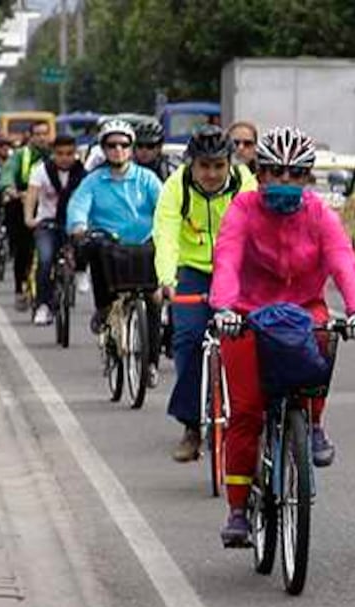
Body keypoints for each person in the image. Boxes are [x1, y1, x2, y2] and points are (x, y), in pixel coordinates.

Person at [210, 126, 355, 544]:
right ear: (259, 174)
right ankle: (238, 509)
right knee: (246, 411)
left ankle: (314, 423)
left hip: (303, 310)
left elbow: (342, 262)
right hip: (246, 314)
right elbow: (226, 259)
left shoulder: (320, 214)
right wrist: (225, 308)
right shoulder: (242, 209)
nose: (284, 182)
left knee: (326, 336)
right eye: (275, 173)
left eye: (295, 174)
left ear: (308, 178)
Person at [153, 125, 256, 462]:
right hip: (193, 271)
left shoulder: (245, 183)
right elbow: (165, 234)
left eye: (218, 165)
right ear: (191, 164)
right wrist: (167, 278)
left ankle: (255, 421)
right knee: (188, 338)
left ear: (230, 163)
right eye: (204, 166)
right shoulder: (176, 186)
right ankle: (191, 428)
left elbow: (259, 230)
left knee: (250, 339)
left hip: (237, 269)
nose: (211, 173)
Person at [67, 118, 164, 354]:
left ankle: (150, 361)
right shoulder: (93, 181)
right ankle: (103, 309)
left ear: (131, 147)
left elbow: (165, 208)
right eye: (111, 145)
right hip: (108, 244)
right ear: (104, 148)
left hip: (144, 245)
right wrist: (79, 225)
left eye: (123, 144)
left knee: (153, 300)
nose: (118, 150)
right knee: (94, 247)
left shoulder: (147, 179)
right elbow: (78, 205)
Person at [23, 134, 87, 326]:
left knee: (87, 243)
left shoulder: (84, 174)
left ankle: (81, 271)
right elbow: (32, 196)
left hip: (73, 223)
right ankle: (43, 305)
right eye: (60, 154)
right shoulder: (41, 171)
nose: (65, 158)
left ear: (75, 153)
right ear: (53, 154)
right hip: (47, 223)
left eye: (69, 153)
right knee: (44, 259)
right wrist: (29, 218)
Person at [0, 120, 53, 311]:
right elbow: (7, 174)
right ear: (30, 136)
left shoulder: (56, 155)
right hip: (23, 203)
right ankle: (20, 289)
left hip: (48, 204)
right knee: (23, 249)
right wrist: (11, 189)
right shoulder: (21, 155)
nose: (41, 137)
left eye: (44, 133)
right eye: (37, 134)